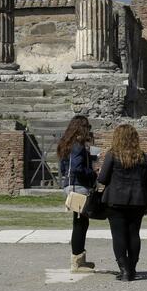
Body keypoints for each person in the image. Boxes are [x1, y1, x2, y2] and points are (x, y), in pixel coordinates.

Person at [98, 124, 147, 282]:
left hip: (115, 201)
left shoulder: (113, 154)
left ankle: (124, 270)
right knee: (134, 234)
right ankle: (132, 268)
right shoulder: (142, 156)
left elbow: (102, 179)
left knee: (118, 235)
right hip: (138, 200)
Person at [58, 115, 98, 273]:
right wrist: (93, 173)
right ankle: (77, 262)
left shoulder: (66, 144)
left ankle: (80, 259)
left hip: (71, 185)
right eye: (87, 127)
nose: (89, 130)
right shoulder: (78, 145)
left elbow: (63, 168)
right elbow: (76, 168)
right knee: (81, 223)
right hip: (79, 186)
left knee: (80, 222)